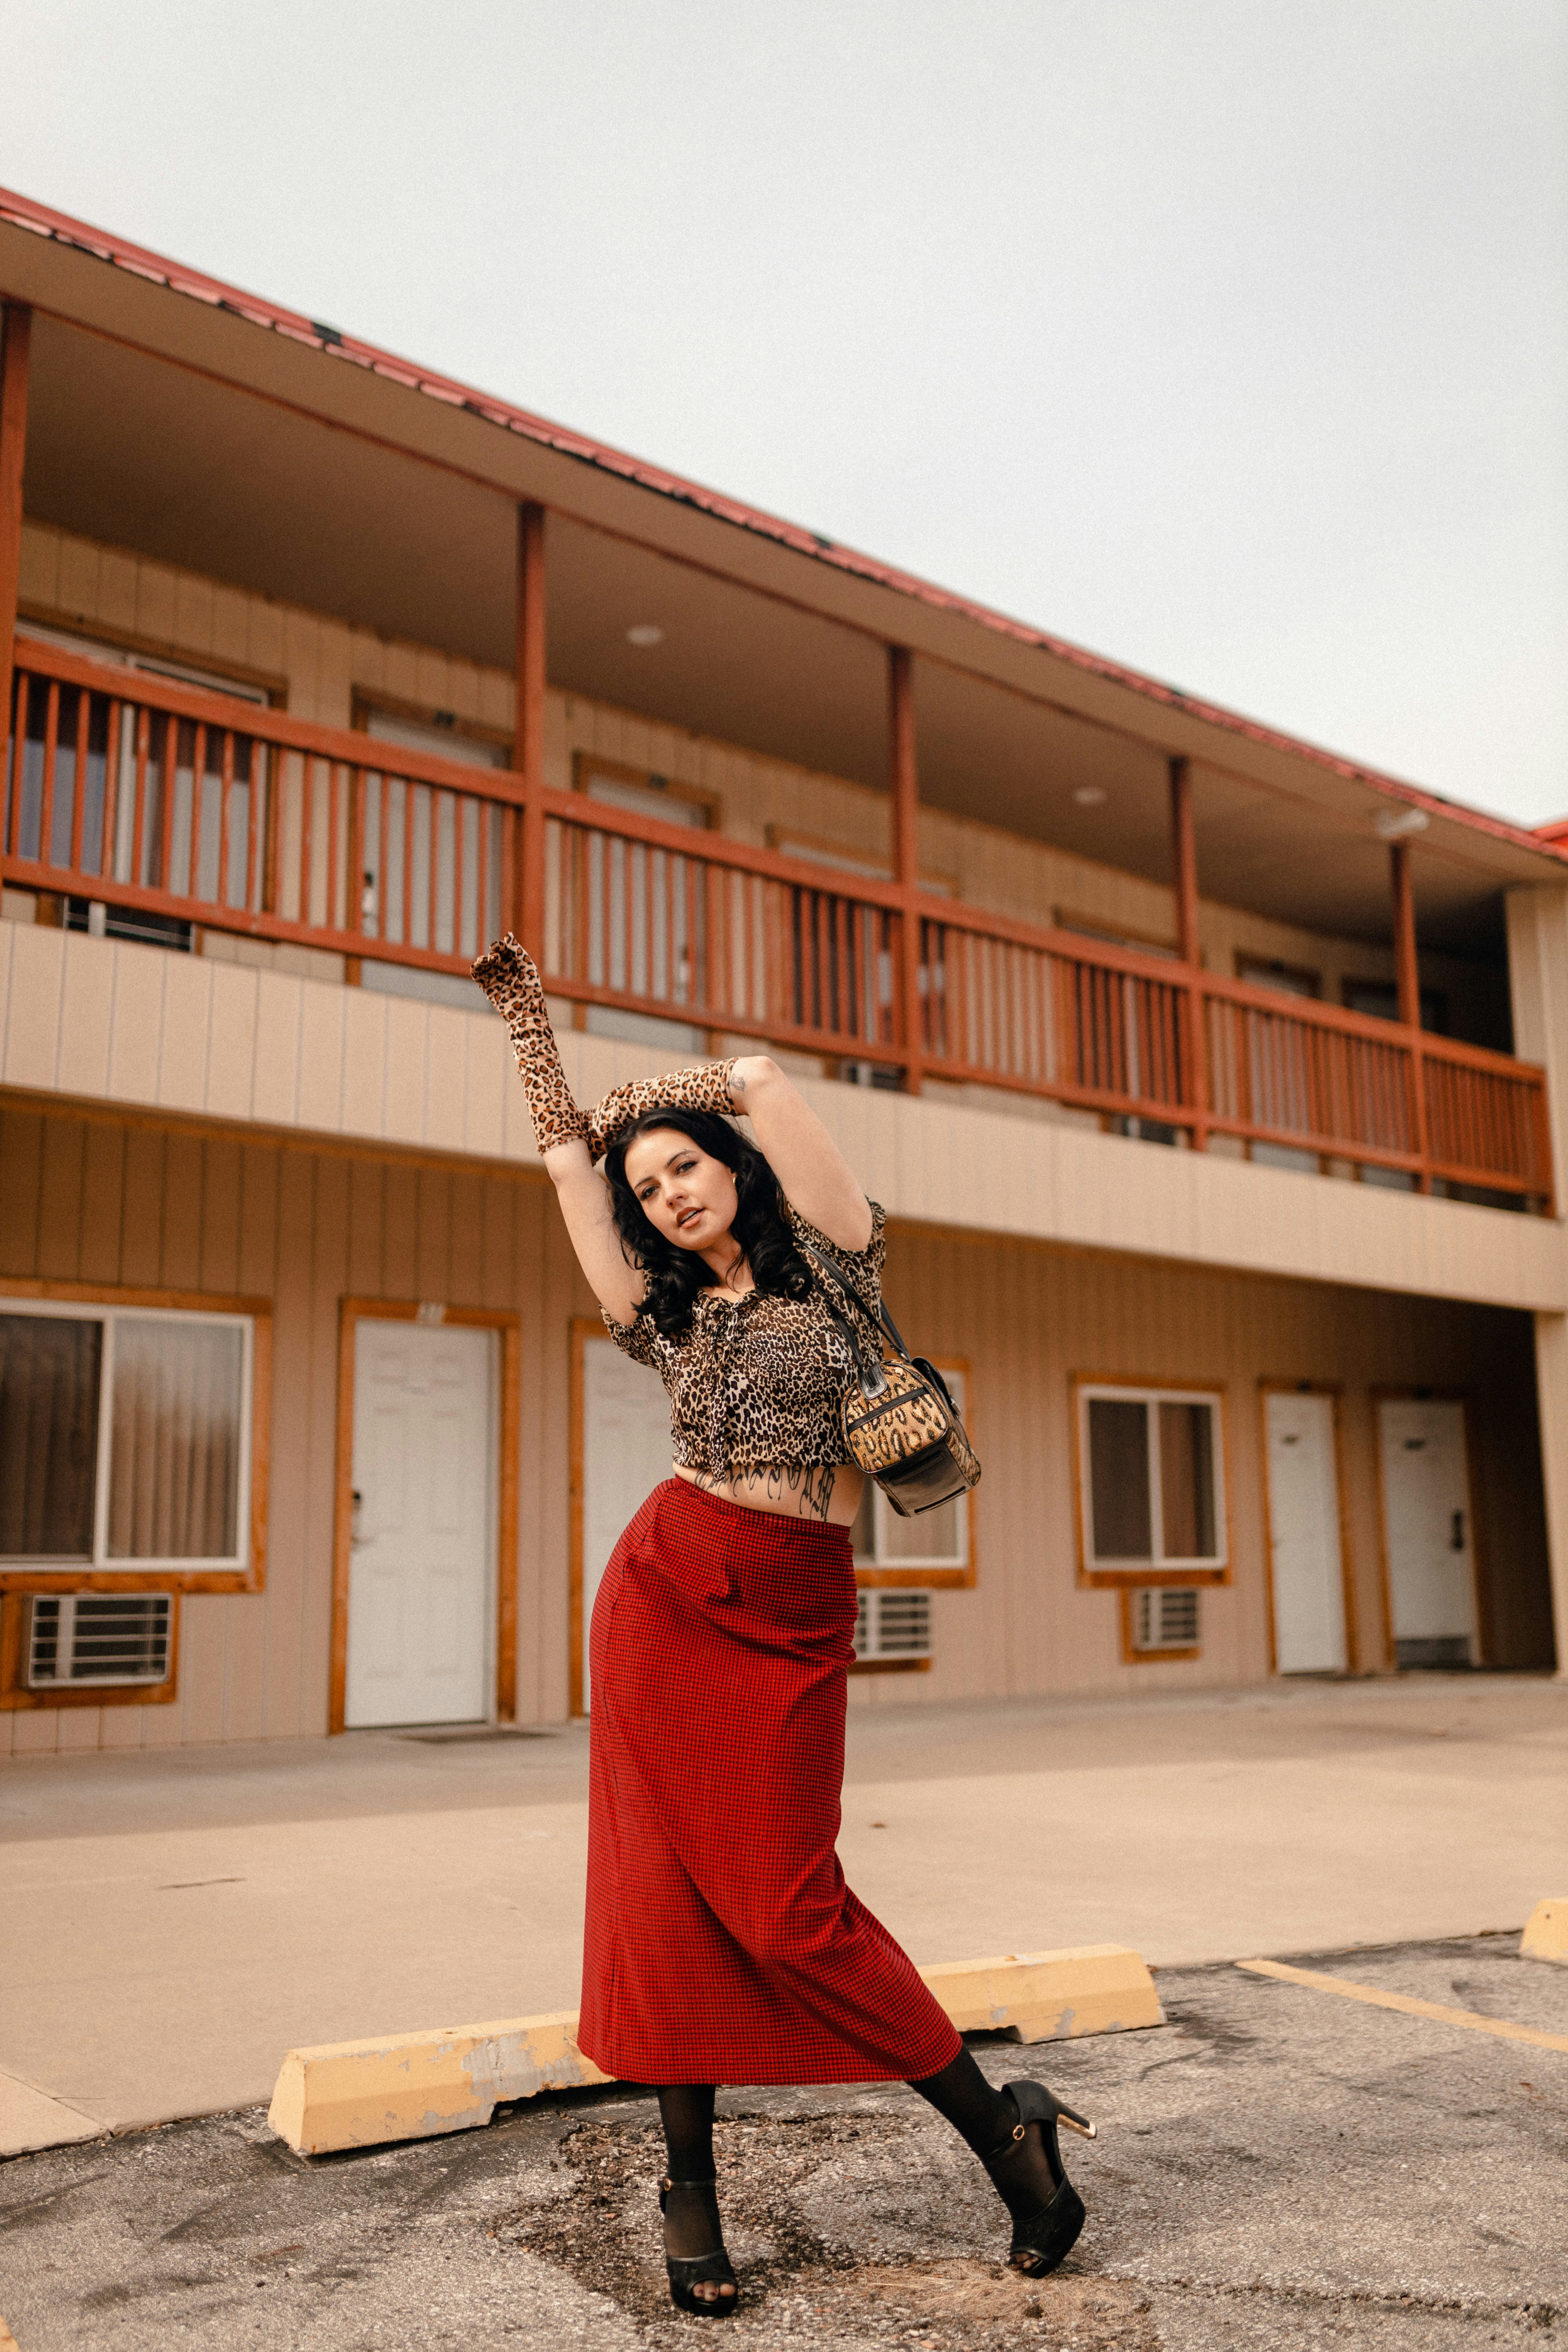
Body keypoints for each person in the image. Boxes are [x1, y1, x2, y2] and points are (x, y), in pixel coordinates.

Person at [473, 936, 1093, 2318]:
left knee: (791, 1909)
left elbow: (757, 1077)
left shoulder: (834, 1255)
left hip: (791, 1607)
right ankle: (685, 2186)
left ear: (726, 1163)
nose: (666, 1191)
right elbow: (570, 1167)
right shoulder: (660, 1314)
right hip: (663, 1592)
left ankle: (1009, 2135)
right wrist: (531, 1031)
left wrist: (658, 1098)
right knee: (659, 1894)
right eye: (651, 1188)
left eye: (683, 1164)